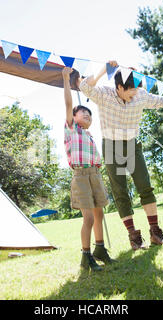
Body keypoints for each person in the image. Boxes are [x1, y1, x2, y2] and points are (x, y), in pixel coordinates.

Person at [78, 60, 163, 250]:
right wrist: (104, 69)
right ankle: (134, 237)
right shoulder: (104, 94)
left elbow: (162, 102)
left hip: (132, 145)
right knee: (120, 192)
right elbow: (84, 86)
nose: (135, 94)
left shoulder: (140, 95)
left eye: (137, 90)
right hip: (111, 147)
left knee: (145, 187)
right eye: (131, 90)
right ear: (119, 87)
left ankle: (155, 232)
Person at [62, 67, 116, 272]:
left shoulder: (89, 135)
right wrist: (66, 80)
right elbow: (68, 103)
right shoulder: (71, 129)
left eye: (90, 115)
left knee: (99, 214)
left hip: (94, 174)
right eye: (83, 112)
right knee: (89, 218)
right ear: (74, 116)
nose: (87, 116)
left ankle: (100, 249)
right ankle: (86, 256)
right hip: (81, 176)